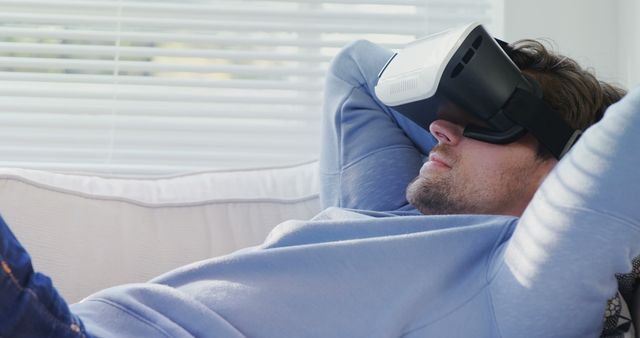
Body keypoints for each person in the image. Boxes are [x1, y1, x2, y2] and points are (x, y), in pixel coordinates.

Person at [0, 32, 636, 337]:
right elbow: (356, 68)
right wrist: (468, 104)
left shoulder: (524, 286)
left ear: (566, 171)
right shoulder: (387, 211)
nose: (442, 129)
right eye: (446, 115)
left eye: (487, 123)